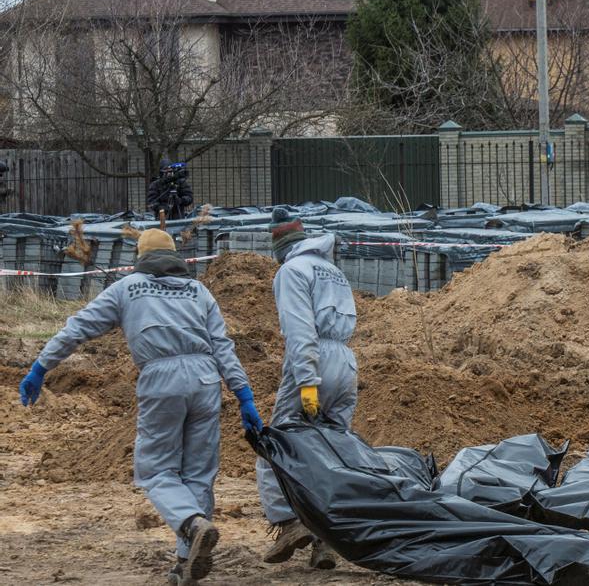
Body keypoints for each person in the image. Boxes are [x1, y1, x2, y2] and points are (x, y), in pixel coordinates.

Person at [17, 229, 263, 586]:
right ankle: (185, 560)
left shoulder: (127, 288)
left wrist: (41, 366)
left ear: (140, 256)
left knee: (156, 470)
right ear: (176, 256)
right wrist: (244, 396)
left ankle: (191, 524)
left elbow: (78, 328)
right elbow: (223, 346)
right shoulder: (199, 291)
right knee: (198, 472)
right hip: (207, 379)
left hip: (162, 379)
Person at [256, 208, 358, 570]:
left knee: (277, 445)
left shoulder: (291, 272)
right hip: (346, 364)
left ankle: (289, 523)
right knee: (329, 451)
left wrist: (307, 383)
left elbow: (301, 333)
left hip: (315, 363)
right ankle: (325, 540)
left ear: (279, 246)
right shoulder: (333, 271)